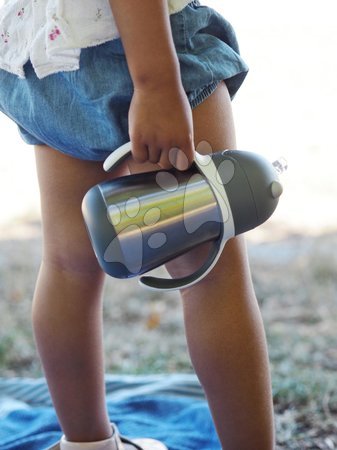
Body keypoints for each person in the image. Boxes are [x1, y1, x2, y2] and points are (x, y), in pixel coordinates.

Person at [0, 0, 275, 449]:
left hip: (42, 50)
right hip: (139, 46)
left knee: (69, 266)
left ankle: (87, 443)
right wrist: (158, 84)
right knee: (210, 274)